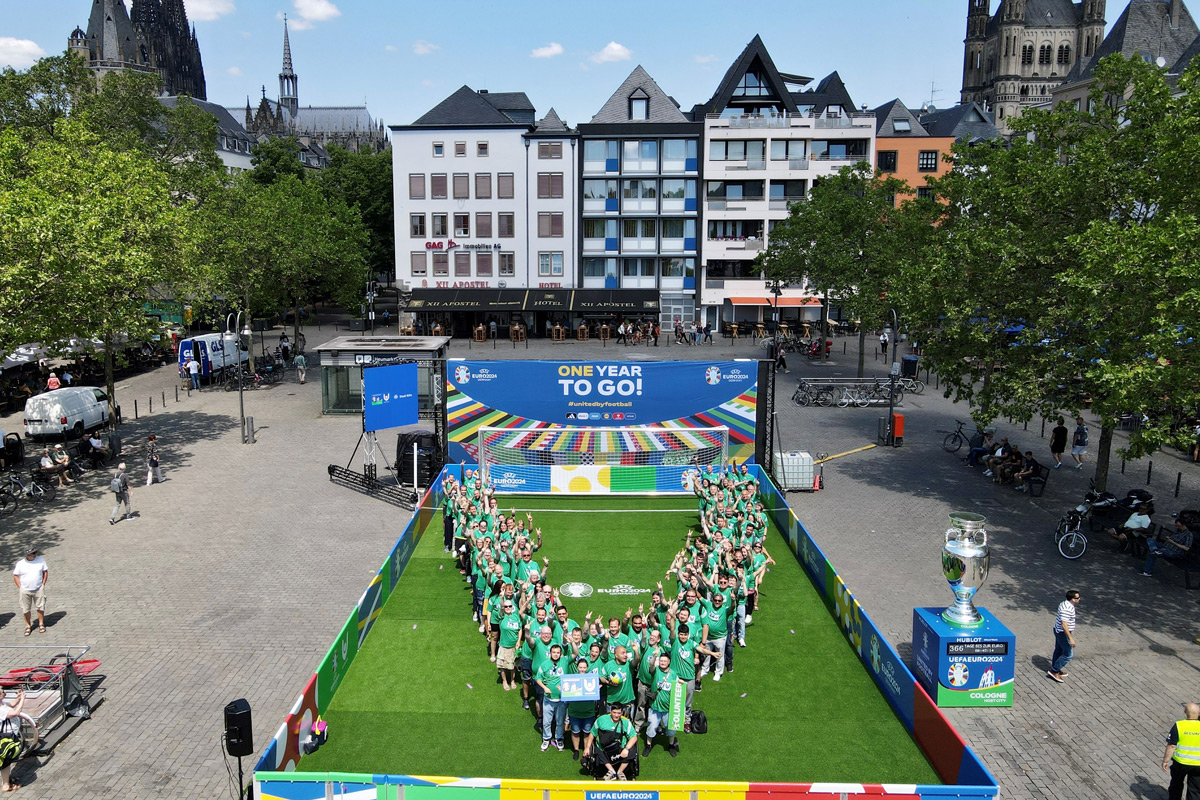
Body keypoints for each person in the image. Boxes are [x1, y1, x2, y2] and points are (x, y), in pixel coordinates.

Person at [643, 652, 680, 758]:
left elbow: (678, 687)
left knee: (671, 728)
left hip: (668, 708)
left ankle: (671, 745)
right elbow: (650, 666)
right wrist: (654, 656)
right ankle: (648, 745)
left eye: (665, 661)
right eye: (661, 661)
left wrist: (680, 683)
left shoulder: (673, 674)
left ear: (669, 662)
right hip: (655, 707)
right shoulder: (655, 671)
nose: (663, 663)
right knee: (652, 727)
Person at [588, 704, 638, 781]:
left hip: (620, 748)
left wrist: (626, 749)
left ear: (622, 713)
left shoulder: (626, 722)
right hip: (603, 748)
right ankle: (612, 771)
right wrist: (587, 748)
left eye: (618, 713)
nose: (616, 715)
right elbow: (592, 734)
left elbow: (634, 737)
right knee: (597, 750)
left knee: (632, 750)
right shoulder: (601, 720)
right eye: (614, 712)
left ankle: (620, 772)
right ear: (610, 712)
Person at [1163, 702, 1200, 800]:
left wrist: (1165, 760)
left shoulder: (1179, 725)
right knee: (1195, 790)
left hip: (1180, 763)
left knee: (1176, 785)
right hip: (1198, 765)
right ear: (1199, 713)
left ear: (1185, 712)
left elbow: (1171, 746)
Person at [535, 644, 567, 751]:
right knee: (547, 721)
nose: (556, 654)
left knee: (560, 721)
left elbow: (575, 654)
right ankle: (546, 738)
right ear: (550, 653)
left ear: (560, 654)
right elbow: (538, 678)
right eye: (554, 652)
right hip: (548, 699)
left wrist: (570, 642)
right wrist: (544, 688)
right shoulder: (544, 664)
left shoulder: (564, 662)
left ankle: (559, 738)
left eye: (558, 652)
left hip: (561, 699)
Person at [1047, 589, 1080, 683]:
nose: (1079, 599)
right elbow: (1064, 624)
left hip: (1058, 630)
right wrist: (1071, 638)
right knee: (1068, 654)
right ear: (1072, 599)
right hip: (1062, 633)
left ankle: (1056, 667)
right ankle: (1054, 670)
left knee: (1059, 650)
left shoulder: (1064, 603)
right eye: (1077, 598)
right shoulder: (1067, 608)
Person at [13, 546, 47, 636]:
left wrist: (43, 584)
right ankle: (28, 626)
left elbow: (45, 572)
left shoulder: (41, 560)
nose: (35, 555)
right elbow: (16, 575)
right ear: (28, 555)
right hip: (25, 589)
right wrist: (20, 587)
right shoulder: (20, 564)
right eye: (33, 553)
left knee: (40, 607)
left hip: (38, 588)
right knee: (26, 609)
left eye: (36, 552)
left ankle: (41, 624)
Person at [0, 688, 27, 792]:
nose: (5, 693)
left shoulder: (2, 705)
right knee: (5, 761)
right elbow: (15, 713)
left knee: (6, 760)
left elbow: (10, 705)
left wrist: (18, 698)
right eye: (3, 692)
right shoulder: (1, 710)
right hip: (6, 737)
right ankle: (6, 785)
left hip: (7, 736)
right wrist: (23, 700)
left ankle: (6, 780)